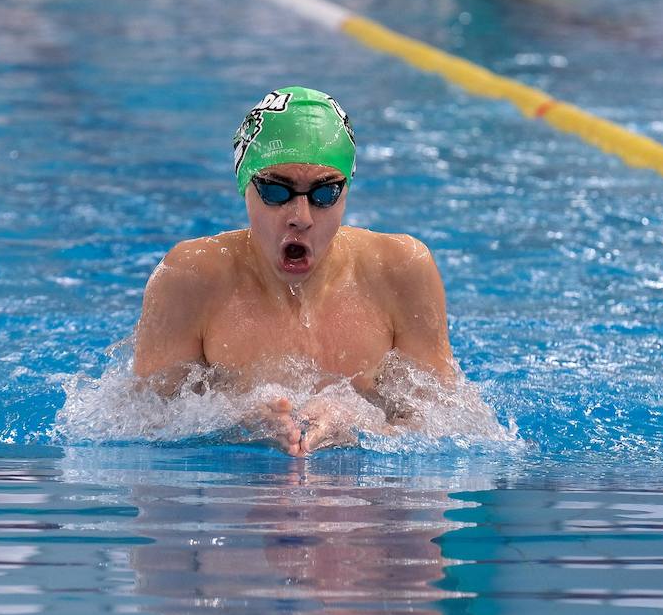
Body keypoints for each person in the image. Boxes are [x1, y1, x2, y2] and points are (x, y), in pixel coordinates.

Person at [133, 86, 455, 455]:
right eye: (275, 192)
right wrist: (237, 422)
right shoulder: (190, 279)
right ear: (245, 186)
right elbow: (136, 427)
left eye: (323, 195)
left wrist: (358, 423)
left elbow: (449, 428)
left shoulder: (400, 271)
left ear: (346, 189)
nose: (300, 218)